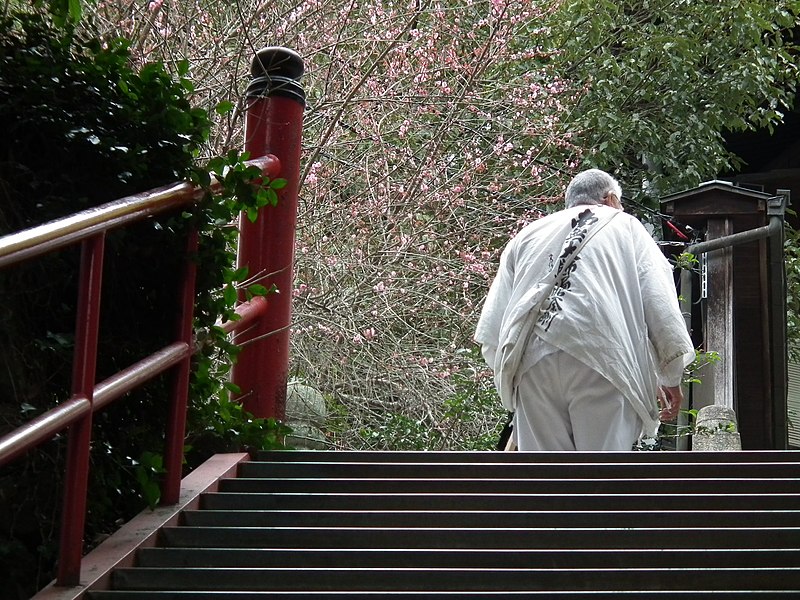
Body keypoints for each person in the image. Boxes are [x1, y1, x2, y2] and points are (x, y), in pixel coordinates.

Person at [474, 168, 695, 451]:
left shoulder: (527, 235)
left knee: (547, 482)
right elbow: (658, 299)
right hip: (603, 357)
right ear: (612, 199)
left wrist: (510, 378)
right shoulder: (625, 225)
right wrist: (670, 374)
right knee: (600, 479)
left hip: (532, 363)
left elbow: (494, 329)